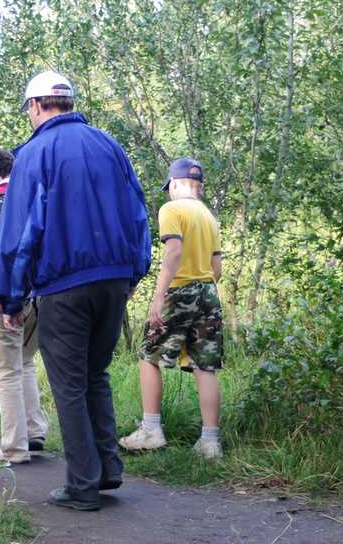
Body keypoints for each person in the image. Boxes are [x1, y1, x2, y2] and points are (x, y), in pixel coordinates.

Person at [0, 70, 152, 511]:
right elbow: (138, 213)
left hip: (64, 284)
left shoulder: (34, 153)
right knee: (95, 375)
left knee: (68, 385)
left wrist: (10, 297)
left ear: (36, 105)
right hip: (114, 280)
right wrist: (134, 273)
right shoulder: (108, 144)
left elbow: (18, 233)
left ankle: (82, 486)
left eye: (28, 109)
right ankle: (107, 469)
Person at [118, 158, 225, 460]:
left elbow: (174, 251)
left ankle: (151, 429)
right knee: (205, 365)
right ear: (199, 186)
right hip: (208, 291)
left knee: (149, 355)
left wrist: (159, 296)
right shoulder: (209, 217)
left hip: (178, 290)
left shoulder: (172, 209)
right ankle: (210, 443)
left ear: (175, 184)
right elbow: (217, 268)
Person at [0, 147, 48, 465]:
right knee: (26, 361)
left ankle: (14, 447)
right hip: (41, 292)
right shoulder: (34, 192)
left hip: (7, 296)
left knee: (6, 369)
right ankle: (35, 431)